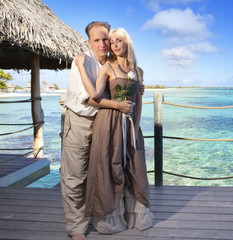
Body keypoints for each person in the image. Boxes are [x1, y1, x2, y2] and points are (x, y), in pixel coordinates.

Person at [61, 22, 143, 240]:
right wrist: (118, 106)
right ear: (89, 42)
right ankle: (76, 228)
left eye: (105, 39)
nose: (103, 44)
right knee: (75, 175)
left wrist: (137, 87)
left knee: (97, 172)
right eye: (96, 40)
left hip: (101, 124)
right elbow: (90, 98)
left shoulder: (109, 63)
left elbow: (121, 82)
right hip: (79, 121)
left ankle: (95, 215)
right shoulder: (82, 61)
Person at [75, 27, 153, 235]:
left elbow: (138, 102)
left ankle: (135, 215)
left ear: (127, 42)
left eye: (119, 40)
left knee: (135, 166)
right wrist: (81, 68)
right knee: (110, 167)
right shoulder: (108, 67)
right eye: (112, 41)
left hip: (129, 125)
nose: (115, 45)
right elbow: (94, 95)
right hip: (108, 122)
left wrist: (135, 130)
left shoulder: (139, 71)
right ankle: (111, 218)